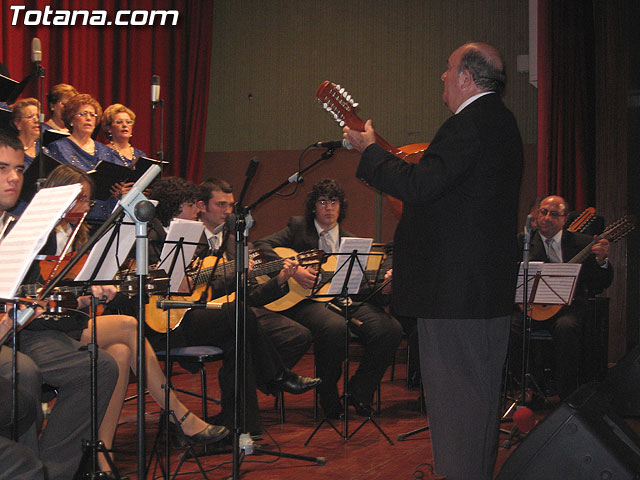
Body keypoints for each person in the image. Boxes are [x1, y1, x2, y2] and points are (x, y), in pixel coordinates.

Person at [343, 42, 524, 479]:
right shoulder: (502, 123)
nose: (443, 77)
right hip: (481, 294)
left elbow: (421, 186)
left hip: (454, 296)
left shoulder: (468, 124)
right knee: (477, 406)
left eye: (448, 69)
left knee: (457, 406)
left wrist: (370, 151)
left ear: (466, 77)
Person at [40, 165, 229, 472]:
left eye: (87, 200)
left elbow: (80, 294)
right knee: (128, 326)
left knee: (120, 354)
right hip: (48, 331)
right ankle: (180, 415)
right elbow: (46, 293)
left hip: (76, 323)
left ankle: (102, 460)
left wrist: (100, 290)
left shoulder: (81, 238)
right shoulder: (43, 237)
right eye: (78, 200)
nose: (85, 208)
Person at [146, 176, 321, 436]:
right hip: (165, 321)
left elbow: (199, 283)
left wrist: (275, 277)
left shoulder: (188, 236)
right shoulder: (152, 237)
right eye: (191, 204)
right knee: (238, 316)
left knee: (238, 340)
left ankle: (243, 428)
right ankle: (277, 376)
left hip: (192, 311)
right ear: (176, 206)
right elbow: (167, 284)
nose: (197, 210)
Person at [0, 128, 119, 480]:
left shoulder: (16, 227)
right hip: (16, 339)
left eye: (19, 169)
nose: (12, 178)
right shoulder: (33, 229)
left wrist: (24, 309)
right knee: (21, 373)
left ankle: (52, 469)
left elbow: (31, 290)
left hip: (23, 330)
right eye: (2, 167)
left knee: (102, 366)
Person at [254, 178, 403, 419]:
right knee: (335, 329)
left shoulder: (352, 242)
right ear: (314, 206)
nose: (328, 208)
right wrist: (294, 270)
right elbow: (259, 248)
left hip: (343, 299)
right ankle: (328, 396)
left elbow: (361, 287)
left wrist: (384, 287)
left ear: (341, 207)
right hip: (305, 301)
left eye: (333, 202)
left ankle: (359, 392)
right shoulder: (298, 228)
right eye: (322, 202)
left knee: (390, 330)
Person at [197, 178, 313, 371]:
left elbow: (252, 297)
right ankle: (268, 378)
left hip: (237, 313)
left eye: (231, 206)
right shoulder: (188, 241)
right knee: (245, 327)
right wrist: (233, 278)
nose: (228, 212)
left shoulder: (239, 246)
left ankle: (262, 378)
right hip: (201, 316)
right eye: (220, 205)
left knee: (299, 335)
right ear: (202, 206)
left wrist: (280, 279)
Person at [512, 195, 612, 400]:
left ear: (565, 219)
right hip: (531, 309)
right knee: (508, 326)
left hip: (568, 309)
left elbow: (600, 283)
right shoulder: (523, 243)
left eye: (554, 214)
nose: (547, 218)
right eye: (543, 212)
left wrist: (602, 261)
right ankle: (526, 388)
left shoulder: (582, 244)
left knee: (566, 327)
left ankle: (567, 395)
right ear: (536, 215)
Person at [47, 93, 123, 221]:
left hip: (105, 220)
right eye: (83, 114)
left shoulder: (108, 151)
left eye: (92, 115)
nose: (89, 118)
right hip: (73, 218)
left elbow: (117, 183)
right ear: (71, 120)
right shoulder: (58, 148)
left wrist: (119, 191)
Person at [10, 97, 41, 169]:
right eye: (30, 117)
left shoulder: (44, 150)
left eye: (38, 116)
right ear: (18, 124)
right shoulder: (11, 149)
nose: (36, 120)